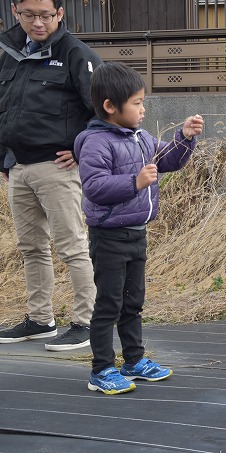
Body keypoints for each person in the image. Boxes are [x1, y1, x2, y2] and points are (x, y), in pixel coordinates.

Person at [74, 61, 203, 395]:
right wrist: (134, 182)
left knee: (133, 303)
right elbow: (95, 187)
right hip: (109, 236)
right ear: (110, 107)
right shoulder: (95, 142)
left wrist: (184, 137)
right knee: (109, 305)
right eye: (137, 103)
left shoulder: (140, 137)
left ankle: (134, 361)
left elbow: (168, 160)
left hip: (136, 233)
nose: (143, 109)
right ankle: (101, 370)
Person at [0, 0, 102, 351]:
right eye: (29, 15)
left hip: (58, 167)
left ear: (60, 13)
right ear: (15, 11)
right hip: (19, 167)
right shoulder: (10, 51)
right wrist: (5, 161)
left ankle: (86, 322)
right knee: (30, 248)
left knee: (72, 246)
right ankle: (40, 320)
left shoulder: (77, 53)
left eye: (46, 15)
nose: (38, 22)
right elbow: (5, 107)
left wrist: (80, 149)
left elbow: (103, 110)